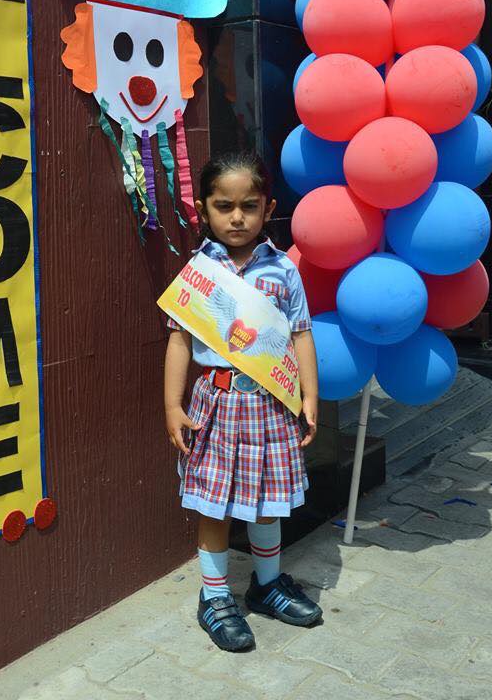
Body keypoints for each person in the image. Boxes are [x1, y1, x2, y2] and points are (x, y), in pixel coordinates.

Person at [164, 150, 321, 652]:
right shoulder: (199, 271)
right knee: (215, 506)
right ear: (203, 210)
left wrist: (310, 395)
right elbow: (179, 340)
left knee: (268, 502)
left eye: (249, 206)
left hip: (271, 406)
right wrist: (172, 405)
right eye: (223, 206)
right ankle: (214, 597)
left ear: (267, 208)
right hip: (216, 405)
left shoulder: (283, 270)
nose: (237, 217)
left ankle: (267, 585)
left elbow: (300, 334)